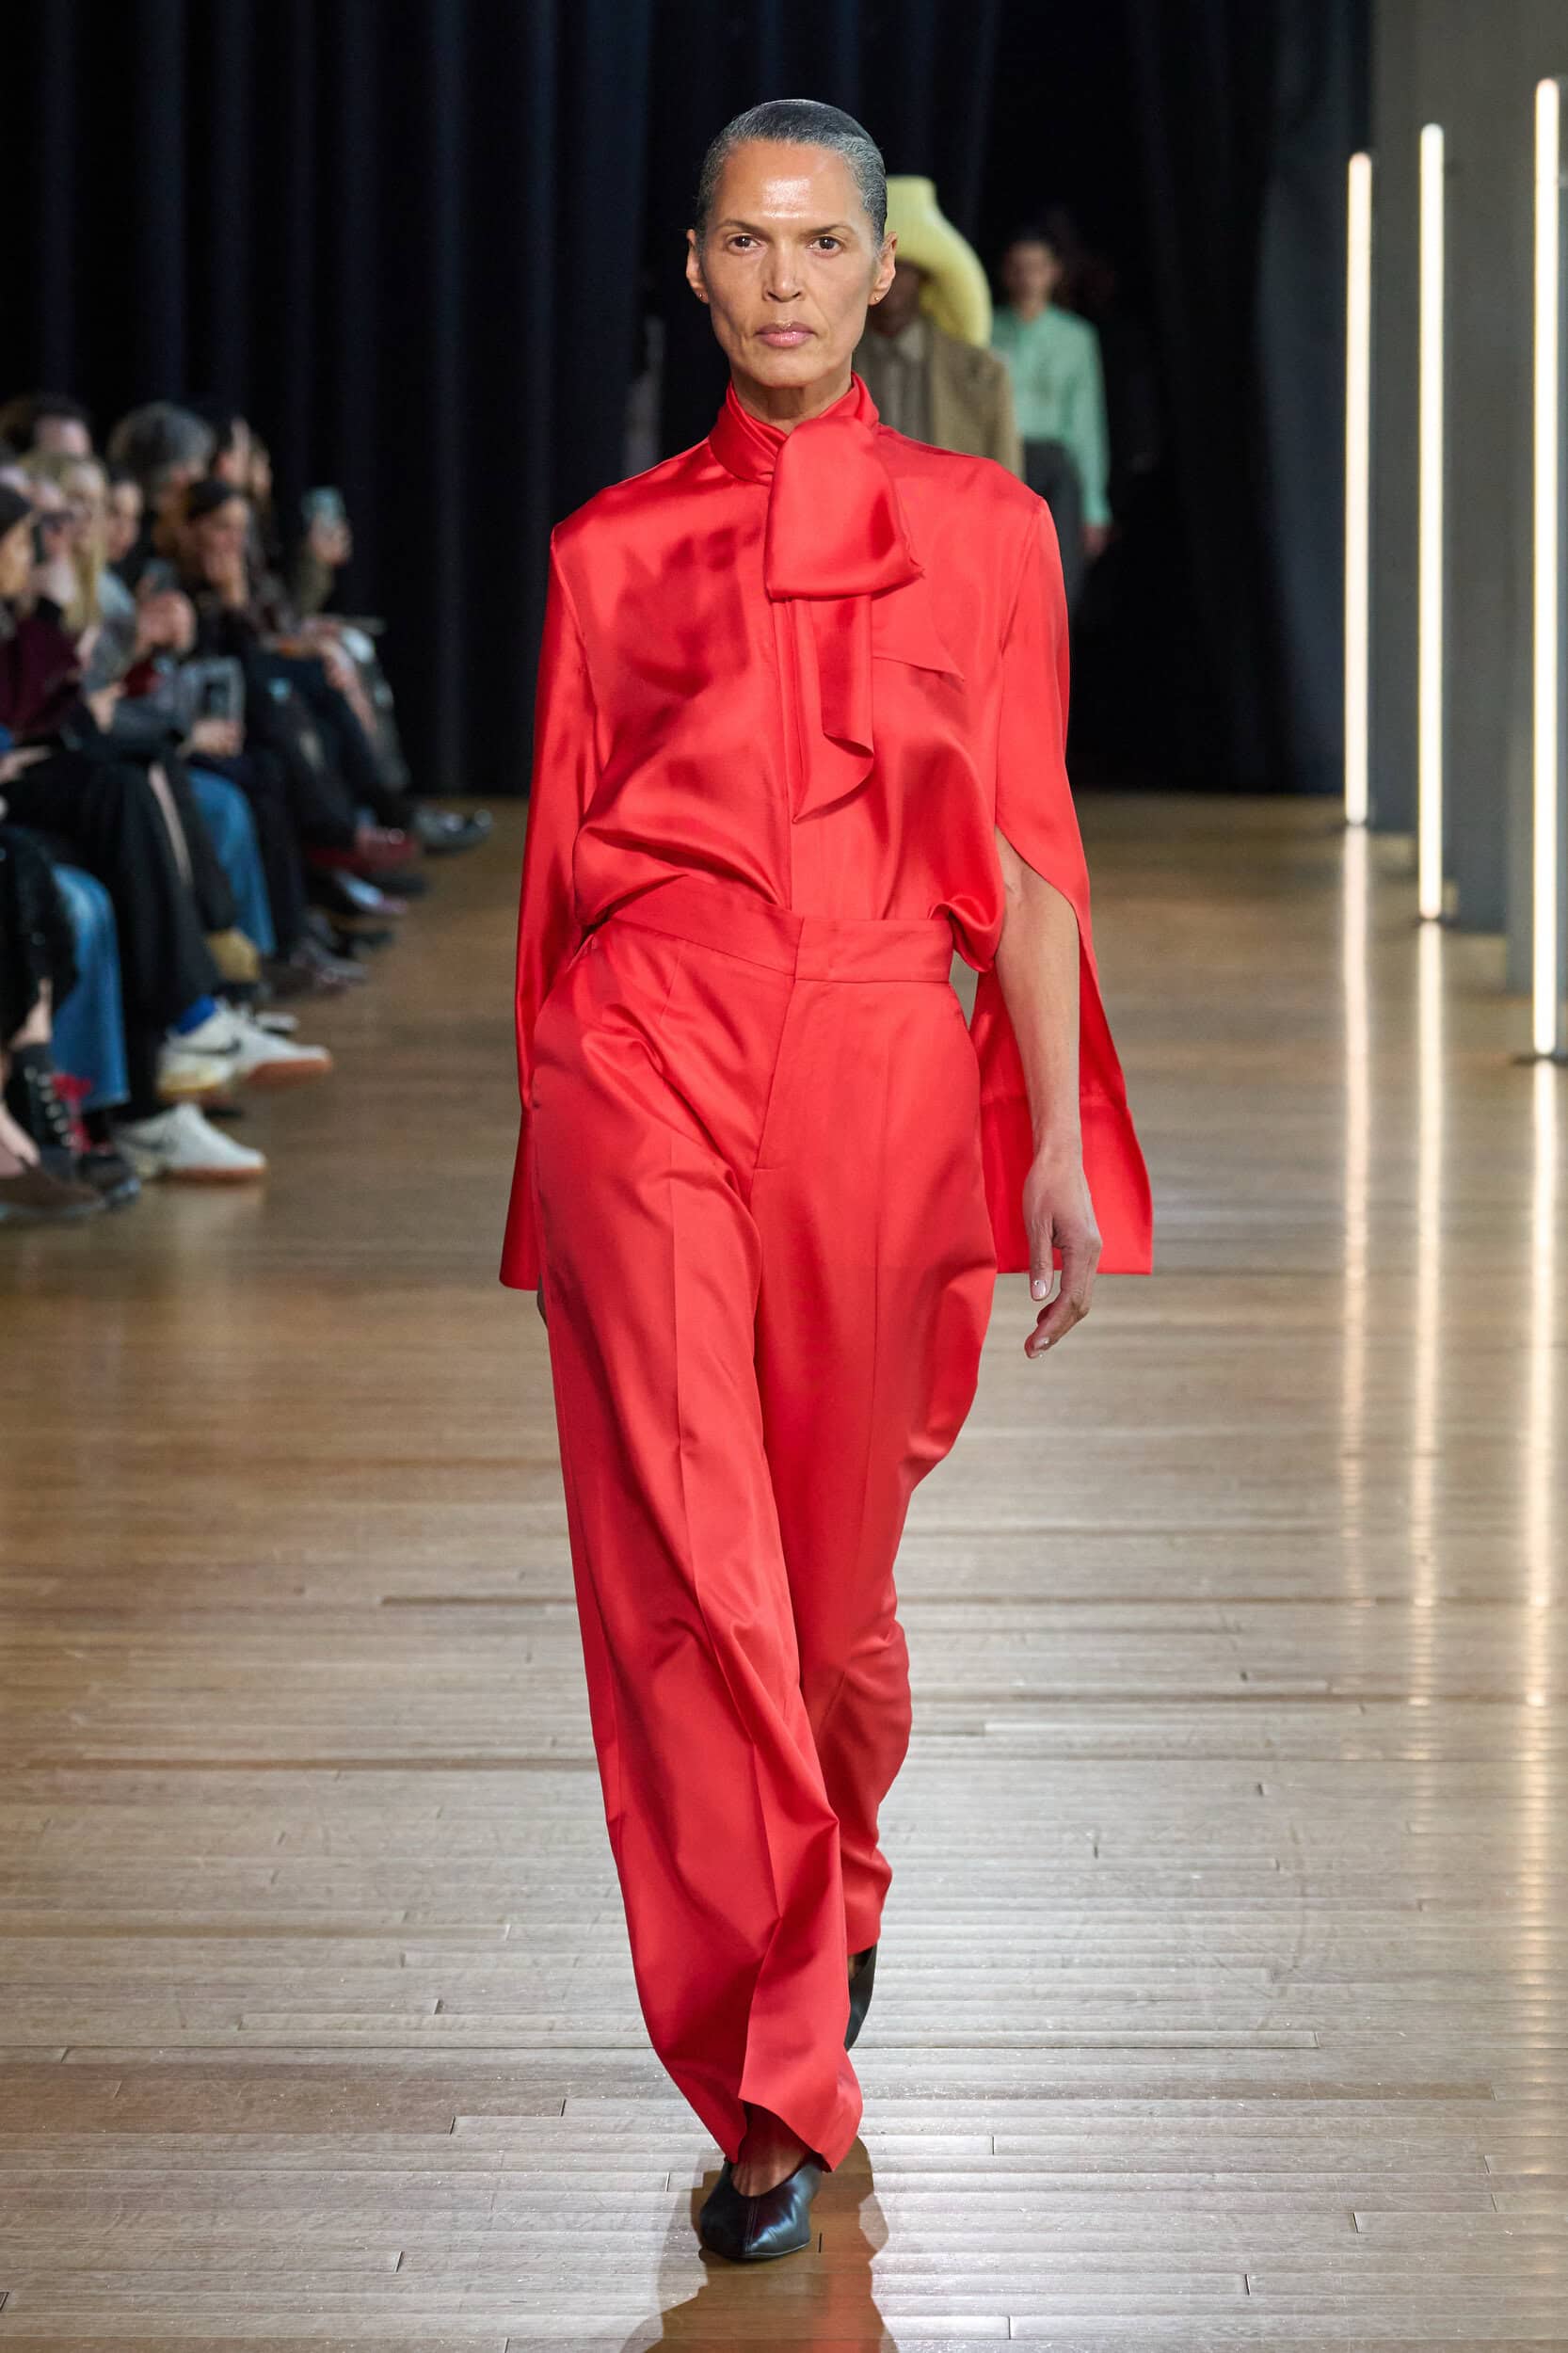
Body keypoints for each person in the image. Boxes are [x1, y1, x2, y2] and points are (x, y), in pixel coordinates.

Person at [501, 99, 1152, 2265]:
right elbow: (554, 876)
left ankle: (836, 1877)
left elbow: (1032, 851)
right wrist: (550, 1133)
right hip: (648, 1051)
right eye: (742, 241)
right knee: (697, 1582)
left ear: (882, 272)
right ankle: (774, 2081)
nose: (780, 279)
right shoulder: (605, 553)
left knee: (832, 1605)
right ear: (695, 269)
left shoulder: (988, 531)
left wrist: (1048, 1135)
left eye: (817, 243)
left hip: (883, 1047)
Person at [852, 184, 1020, 472]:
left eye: (903, 267)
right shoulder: (832, 370)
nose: (890, 278)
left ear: (925, 277)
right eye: (878, 266)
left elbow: (1007, 482)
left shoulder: (980, 373)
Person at [991, 228, 1112, 619]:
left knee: (1058, 587)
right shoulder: (985, 330)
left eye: (1037, 267)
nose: (1028, 277)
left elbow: (1086, 423)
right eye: (1018, 267)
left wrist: (1094, 507)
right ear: (1005, 272)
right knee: (1002, 584)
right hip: (1001, 464)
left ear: (1054, 272)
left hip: (1056, 466)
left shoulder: (1076, 337)